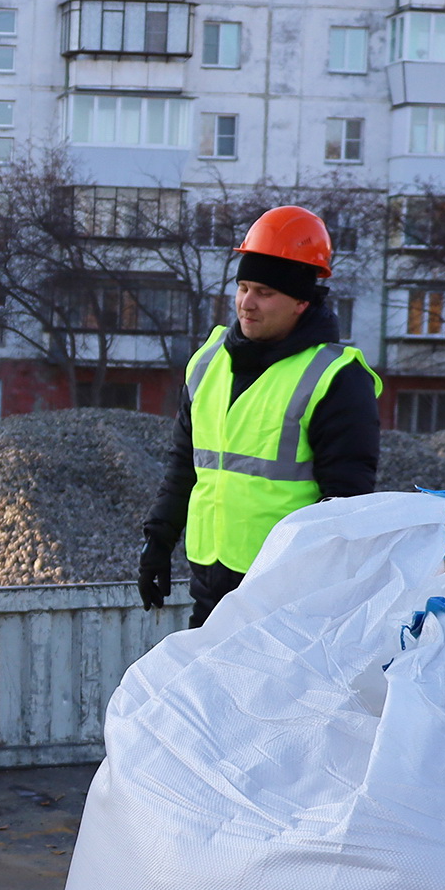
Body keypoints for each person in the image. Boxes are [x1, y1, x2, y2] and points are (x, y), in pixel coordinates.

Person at [138, 205, 382, 628]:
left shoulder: (337, 377)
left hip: (287, 595)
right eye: (243, 287)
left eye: (264, 293)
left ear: (301, 302)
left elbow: (345, 504)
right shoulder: (208, 361)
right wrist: (157, 544)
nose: (246, 304)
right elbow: (185, 466)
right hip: (210, 583)